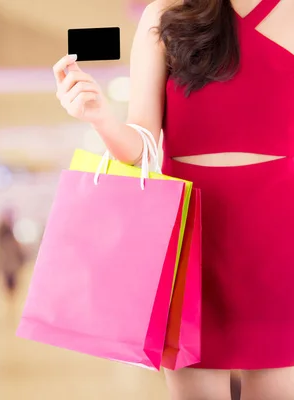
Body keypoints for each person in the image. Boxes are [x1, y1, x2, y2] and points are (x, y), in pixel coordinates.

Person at [53, 0, 293, 398]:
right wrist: (100, 117)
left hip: (280, 231)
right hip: (190, 236)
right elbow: (140, 146)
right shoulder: (166, 14)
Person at [0, 210, 25, 302]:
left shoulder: (1, 241)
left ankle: (10, 301)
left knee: (9, 287)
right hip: (11, 267)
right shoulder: (9, 241)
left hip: (9, 267)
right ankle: (10, 301)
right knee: (11, 287)